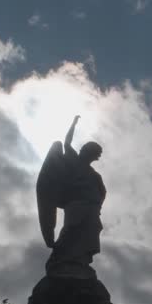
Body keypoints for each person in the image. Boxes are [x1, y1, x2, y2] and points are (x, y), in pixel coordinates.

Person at [45, 115, 105, 277]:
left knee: (91, 229)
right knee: (72, 229)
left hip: (91, 208)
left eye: (97, 155)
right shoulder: (73, 160)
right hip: (76, 204)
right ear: (87, 151)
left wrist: (96, 205)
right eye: (95, 153)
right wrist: (73, 124)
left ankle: (81, 260)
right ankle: (59, 257)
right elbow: (66, 142)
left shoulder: (94, 174)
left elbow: (102, 192)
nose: (96, 157)